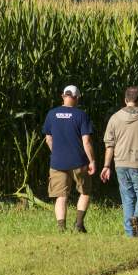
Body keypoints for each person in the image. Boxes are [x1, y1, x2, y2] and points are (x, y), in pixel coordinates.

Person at [100, 86, 138, 238]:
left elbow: (109, 144)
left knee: (127, 198)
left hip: (120, 163)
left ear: (125, 100)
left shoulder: (114, 118)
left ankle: (130, 234)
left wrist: (106, 166)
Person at [42, 85, 96, 233]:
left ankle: (61, 228)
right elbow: (86, 141)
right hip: (79, 161)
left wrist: (57, 152)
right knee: (85, 192)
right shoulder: (81, 115)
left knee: (61, 196)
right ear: (77, 97)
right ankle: (78, 224)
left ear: (63, 96)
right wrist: (92, 161)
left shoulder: (51, 114)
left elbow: (48, 139)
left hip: (57, 162)